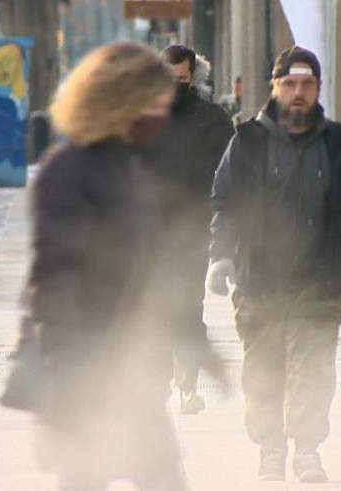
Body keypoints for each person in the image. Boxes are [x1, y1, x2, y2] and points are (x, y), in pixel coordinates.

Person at [27, 42, 214, 491]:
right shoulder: (70, 170)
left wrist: (192, 340)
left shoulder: (130, 165)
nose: (159, 109)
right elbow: (54, 277)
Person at [205, 46, 341, 483]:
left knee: (313, 368)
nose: (298, 92)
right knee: (263, 369)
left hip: (319, 281)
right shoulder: (246, 141)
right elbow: (225, 202)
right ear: (275, 87)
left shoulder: (339, 146)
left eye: (306, 84)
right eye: (289, 84)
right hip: (259, 281)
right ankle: (270, 447)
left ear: (319, 87)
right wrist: (220, 255)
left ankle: (306, 450)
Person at [143, 45, 234, 414]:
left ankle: (186, 385)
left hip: (193, 229)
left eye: (182, 80)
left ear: (193, 77)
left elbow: (231, 171)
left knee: (188, 308)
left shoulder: (210, 119)